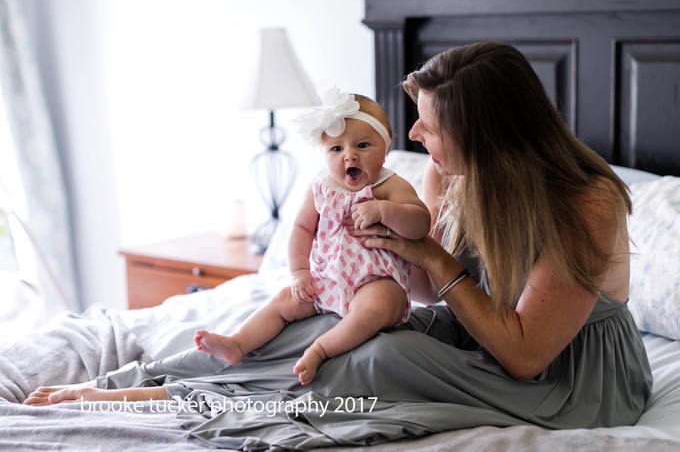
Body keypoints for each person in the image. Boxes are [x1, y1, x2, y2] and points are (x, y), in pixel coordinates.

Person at [25, 42, 650, 440]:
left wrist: (425, 250)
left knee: (375, 358)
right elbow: (431, 293)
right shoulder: (446, 170)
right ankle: (141, 385)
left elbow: (524, 356)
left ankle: (190, 401)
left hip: (568, 373)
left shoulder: (584, 204)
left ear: (483, 134)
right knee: (309, 326)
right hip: (482, 328)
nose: (412, 134)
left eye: (428, 126)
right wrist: (389, 250)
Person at [194, 87, 430, 385]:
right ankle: (238, 343)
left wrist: (385, 212)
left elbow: (420, 223)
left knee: (372, 310)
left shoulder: (389, 185)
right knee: (284, 300)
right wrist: (299, 272)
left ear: (385, 147)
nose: (350, 155)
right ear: (322, 152)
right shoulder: (320, 186)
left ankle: (320, 349)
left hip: (378, 281)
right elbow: (301, 229)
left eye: (362, 145)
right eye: (336, 149)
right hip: (329, 277)